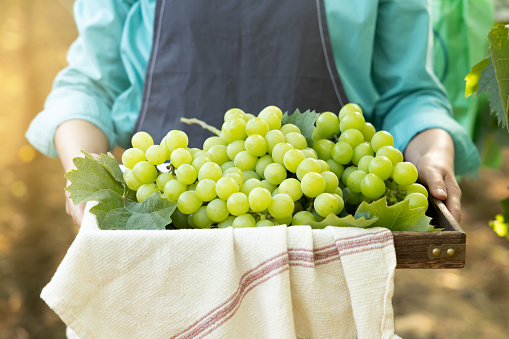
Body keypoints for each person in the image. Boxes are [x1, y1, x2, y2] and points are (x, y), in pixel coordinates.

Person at [26, 0, 480, 226]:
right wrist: (84, 173)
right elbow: (90, 85)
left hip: (322, 231)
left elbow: (411, 94)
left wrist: (433, 149)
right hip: (166, 228)